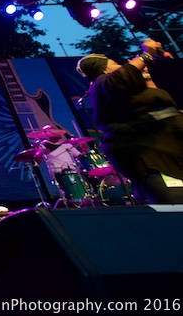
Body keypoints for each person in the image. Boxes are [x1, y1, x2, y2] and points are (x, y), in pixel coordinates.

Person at [76, 38, 183, 204]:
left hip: (171, 149)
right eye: (114, 63)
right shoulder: (101, 83)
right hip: (152, 158)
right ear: (103, 69)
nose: (119, 65)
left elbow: (156, 99)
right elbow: (122, 78)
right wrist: (146, 55)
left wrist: (145, 75)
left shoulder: (122, 89)